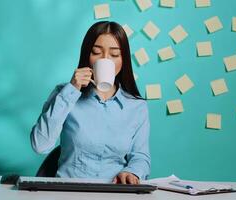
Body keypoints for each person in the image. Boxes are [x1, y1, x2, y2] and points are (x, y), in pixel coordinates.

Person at [30, 21, 150, 184]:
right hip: (69, 192)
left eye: (114, 55)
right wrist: (72, 90)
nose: (105, 59)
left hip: (115, 193)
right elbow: (40, 145)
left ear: (123, 60)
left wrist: (132, 172)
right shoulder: (64, 94)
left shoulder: (137, 107)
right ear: (87, 55)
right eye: (96, 52)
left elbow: (140, 157)